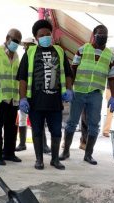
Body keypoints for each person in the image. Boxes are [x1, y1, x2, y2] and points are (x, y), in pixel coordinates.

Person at [18, 19, 73, 170]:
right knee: (36, 131)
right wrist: (22, 98)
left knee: (56, 131)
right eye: (41, 35)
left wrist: (69, 89)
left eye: (48, 34)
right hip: (35, 101)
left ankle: (55, 159)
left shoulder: (59, 51)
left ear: (52, 34)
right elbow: (22, 77)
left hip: (55, 101)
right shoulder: (30, 52)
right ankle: (39, 160)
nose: (45, 37)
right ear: (36, 38)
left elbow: (68, 74)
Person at [60, 24, 114, 165]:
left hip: (96, 94)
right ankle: (66, 151)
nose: (102, 37)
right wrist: (69, 88)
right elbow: (72, 70)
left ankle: (88, 155)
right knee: (72, 123)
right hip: (79, 91)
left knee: (94, 125)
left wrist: (113, 97)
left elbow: (112, 77)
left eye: (105, 35)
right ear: (94, 34)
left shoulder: (110, 55)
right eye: (100, 34)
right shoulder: (82, 50)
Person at [0, 29, 22, 165]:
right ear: (7, 38)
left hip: (13, 98)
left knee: (11, 127)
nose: (16, 43)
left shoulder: (16, 56)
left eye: (18, 41)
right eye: (14, 40)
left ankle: (9, 153)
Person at [15, 36, 36, 152]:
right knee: (23, 119)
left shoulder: (37, 56)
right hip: (25, 94)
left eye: (27, 45)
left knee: (37, 120)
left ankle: (43, 144)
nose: (26, 47)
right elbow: (21, 77)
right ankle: (22, 143)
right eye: (25, 46)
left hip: (36, 95)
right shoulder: (25, 57)